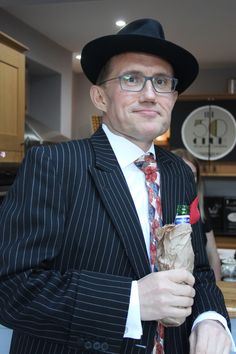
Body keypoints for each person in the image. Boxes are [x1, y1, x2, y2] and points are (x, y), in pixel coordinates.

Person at [0, 18, 234, 354]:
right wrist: (133, 301)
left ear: (173, 97)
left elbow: (196, 268)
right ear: (99, 96)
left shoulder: (179, 173)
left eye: (162, 82)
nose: (150, 94)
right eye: (132, 79)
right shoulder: (54, 164)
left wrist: (209, 317)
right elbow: (12, 289)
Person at [172, 148, 222, 281]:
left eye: (193, 175)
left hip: (199, 284)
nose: (189, 179)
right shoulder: (156, 210)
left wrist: (216, 288)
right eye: (183, 173)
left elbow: (212, 254)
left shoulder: (200, 208)